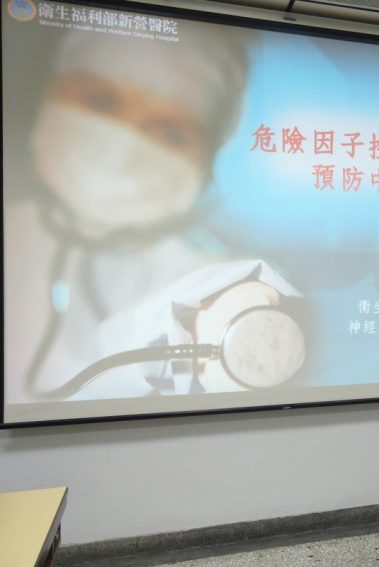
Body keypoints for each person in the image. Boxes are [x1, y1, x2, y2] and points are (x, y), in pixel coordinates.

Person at [4, 18, 306, 404]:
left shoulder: (204, 273)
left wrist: (227, 321)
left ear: (206, 163)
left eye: (169, 131)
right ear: (47, 94)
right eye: (100, 102)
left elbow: (214, 298)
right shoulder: (12, 232)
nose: (122, 149)